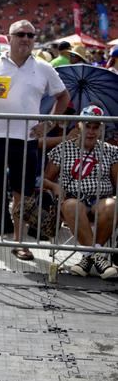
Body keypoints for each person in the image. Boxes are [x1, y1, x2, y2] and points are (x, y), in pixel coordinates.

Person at [0, 20, 70, 260]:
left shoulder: (44, 68)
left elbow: (63, 96)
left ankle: (20, 242)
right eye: (21, 34)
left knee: (22, 194)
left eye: (31, 35)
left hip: (25, 141)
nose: (26, 39)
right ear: (9, 37)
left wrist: (50, 123)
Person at [43, 105, 118, 279]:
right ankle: (98, 258)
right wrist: (54, 187)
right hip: (72, 199)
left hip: (101, 199)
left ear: (101, 129)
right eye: (87, 126)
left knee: (112, 205)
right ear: (79, 126)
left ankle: (87, 258)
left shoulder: (111, 151)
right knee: (71, 206)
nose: (91, 131)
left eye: (95, 127)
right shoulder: (63, 148)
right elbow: (44, 180)